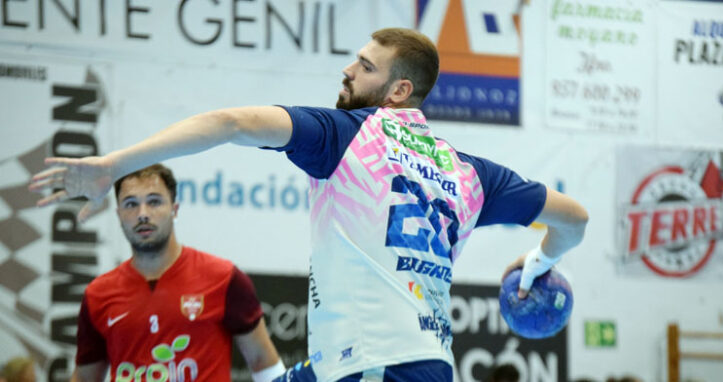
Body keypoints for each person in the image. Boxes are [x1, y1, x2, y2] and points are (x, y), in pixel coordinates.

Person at [29, 28, 588, 381]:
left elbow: (229, 123)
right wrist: (538, 264)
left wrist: (112, 166)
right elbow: (574, 219)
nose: (348, 70)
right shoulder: (469, 172)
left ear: (397, 90)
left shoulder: (347, 135)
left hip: (375, 363)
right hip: (398, 361)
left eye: (366, 66)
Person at [67, 164, 285, 382]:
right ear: (119, 214)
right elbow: (85, 379)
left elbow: (263, 361)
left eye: (154, 201)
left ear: (175, 209)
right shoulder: (98, 294)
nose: (142, 214)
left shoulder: (224, 278)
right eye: (131, 204)